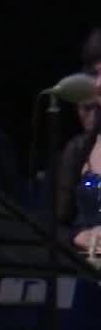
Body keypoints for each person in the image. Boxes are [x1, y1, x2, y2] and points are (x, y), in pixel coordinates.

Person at [58, 28, 101, 253]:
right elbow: (53, 224)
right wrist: (78, 236)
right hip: (85, 276)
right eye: (96, 73)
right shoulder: (79, 149)